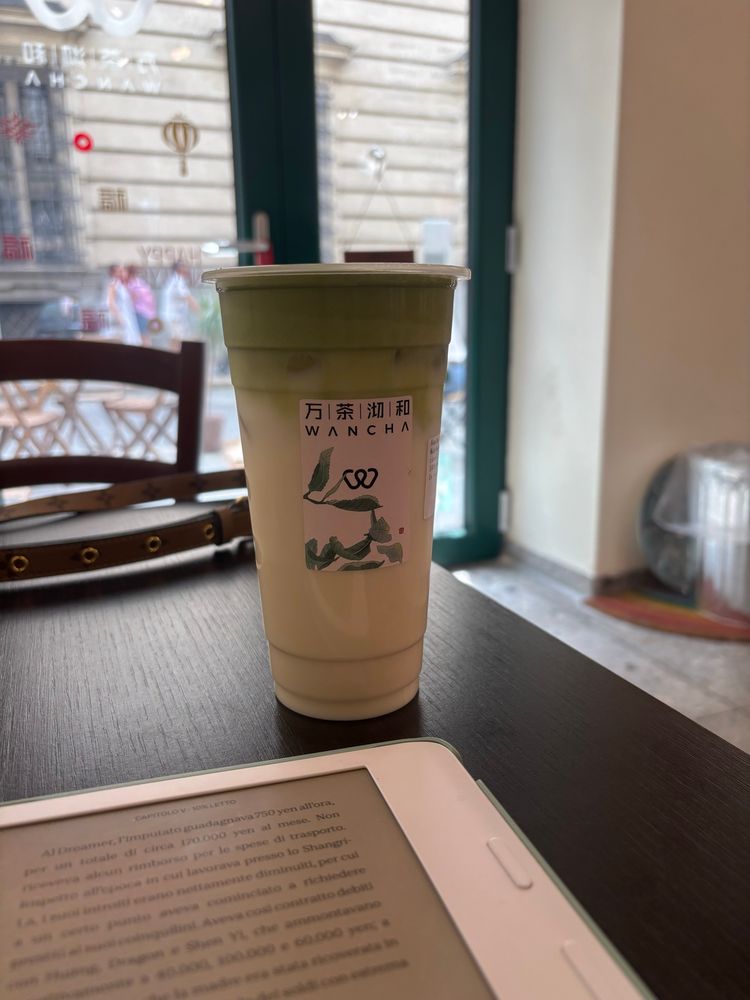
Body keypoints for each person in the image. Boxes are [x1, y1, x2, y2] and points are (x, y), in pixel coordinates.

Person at [161, 262, 200, 350]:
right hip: (174, 318)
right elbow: (189, 299)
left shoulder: (174, 280)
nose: (187, 269)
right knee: (177, 342)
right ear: (179, 269)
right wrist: (201, 312)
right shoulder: (177, 281)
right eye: (185, 267)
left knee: (175, 342)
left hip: (174, 318)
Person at [106, 265, 141, 345]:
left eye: (123, 271)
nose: (123, 273)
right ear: (113, 273)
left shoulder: (121, 285)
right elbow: (110, 303)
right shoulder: (113, 284)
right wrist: (119, 318)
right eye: (120, 271)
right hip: (121, 318)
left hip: (128, 316)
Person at [125, 266, 157, 343]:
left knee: (142, 337)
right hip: (149, 313)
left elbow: (132, 300)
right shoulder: (141, 282)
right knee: (146, 336)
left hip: (140, 313)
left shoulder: (132, 284)